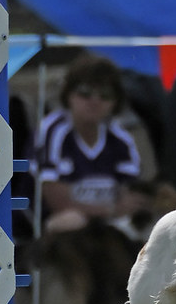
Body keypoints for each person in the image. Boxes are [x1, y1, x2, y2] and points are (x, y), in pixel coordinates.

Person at [35, 54, 149, 233]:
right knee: (72, 221)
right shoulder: (53, 131)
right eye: (85, 92)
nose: (95, 101)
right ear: (68, 94)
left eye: (105, 95)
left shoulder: (121, 139)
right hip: (55, 229)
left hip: (109, 226)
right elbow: (58, 202)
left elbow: (131, 195)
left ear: (115, 102)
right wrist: (110, 210)